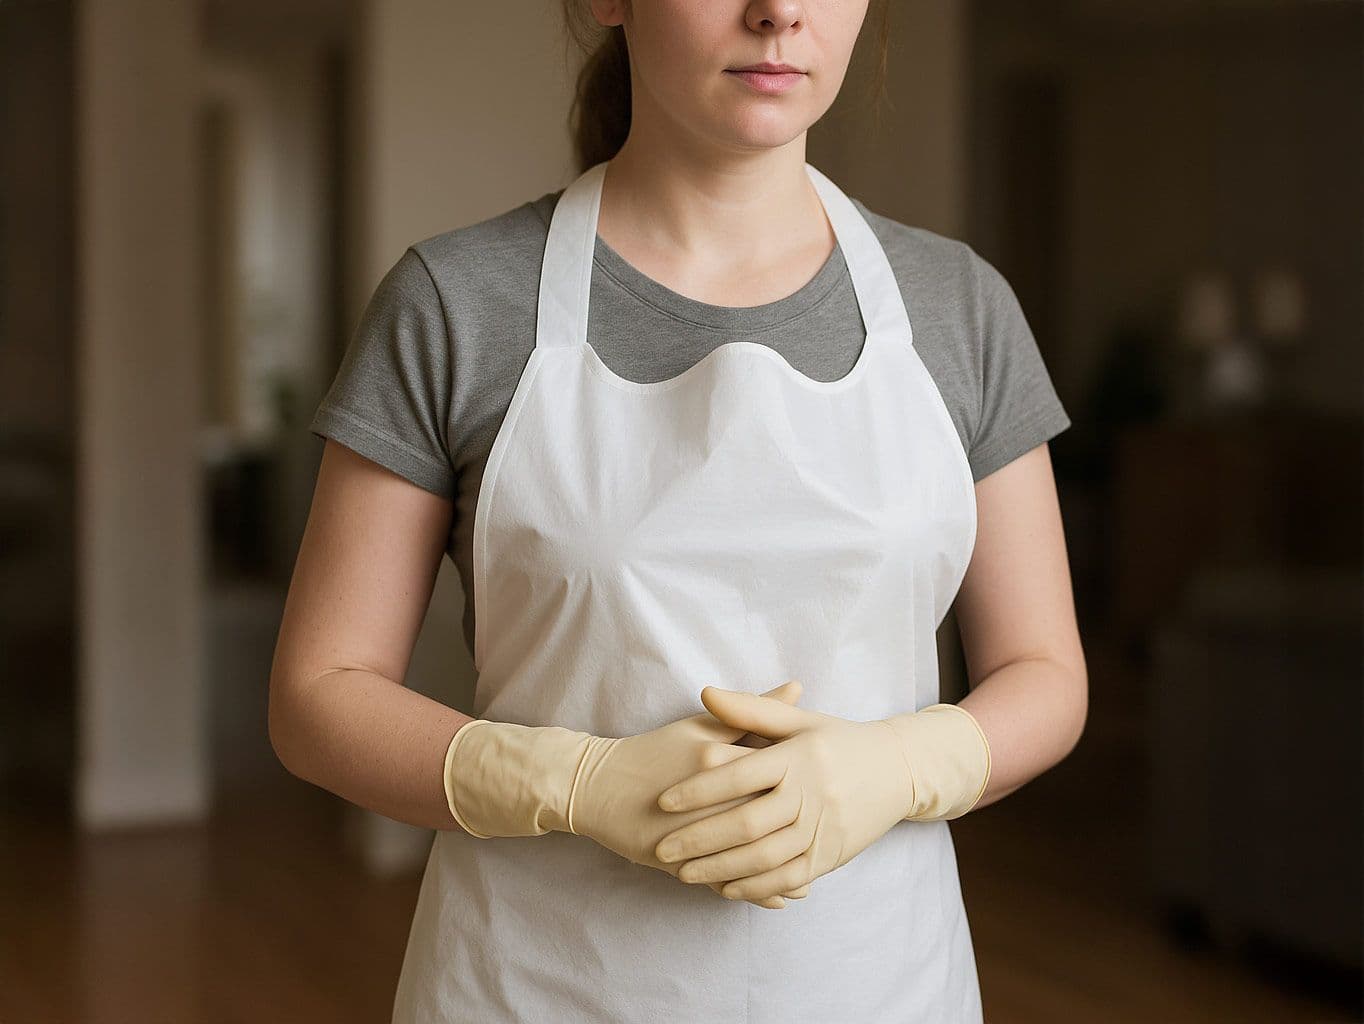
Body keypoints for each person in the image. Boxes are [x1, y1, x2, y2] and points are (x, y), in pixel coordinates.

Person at [268, 0, 1088, 1020]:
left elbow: (1044, 674)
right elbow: (317, 695)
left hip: (877, 980)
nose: (778, 10)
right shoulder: (456, 302)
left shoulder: (960, 308)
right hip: (538, 984)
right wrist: (572, 782)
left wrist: (902, 765)